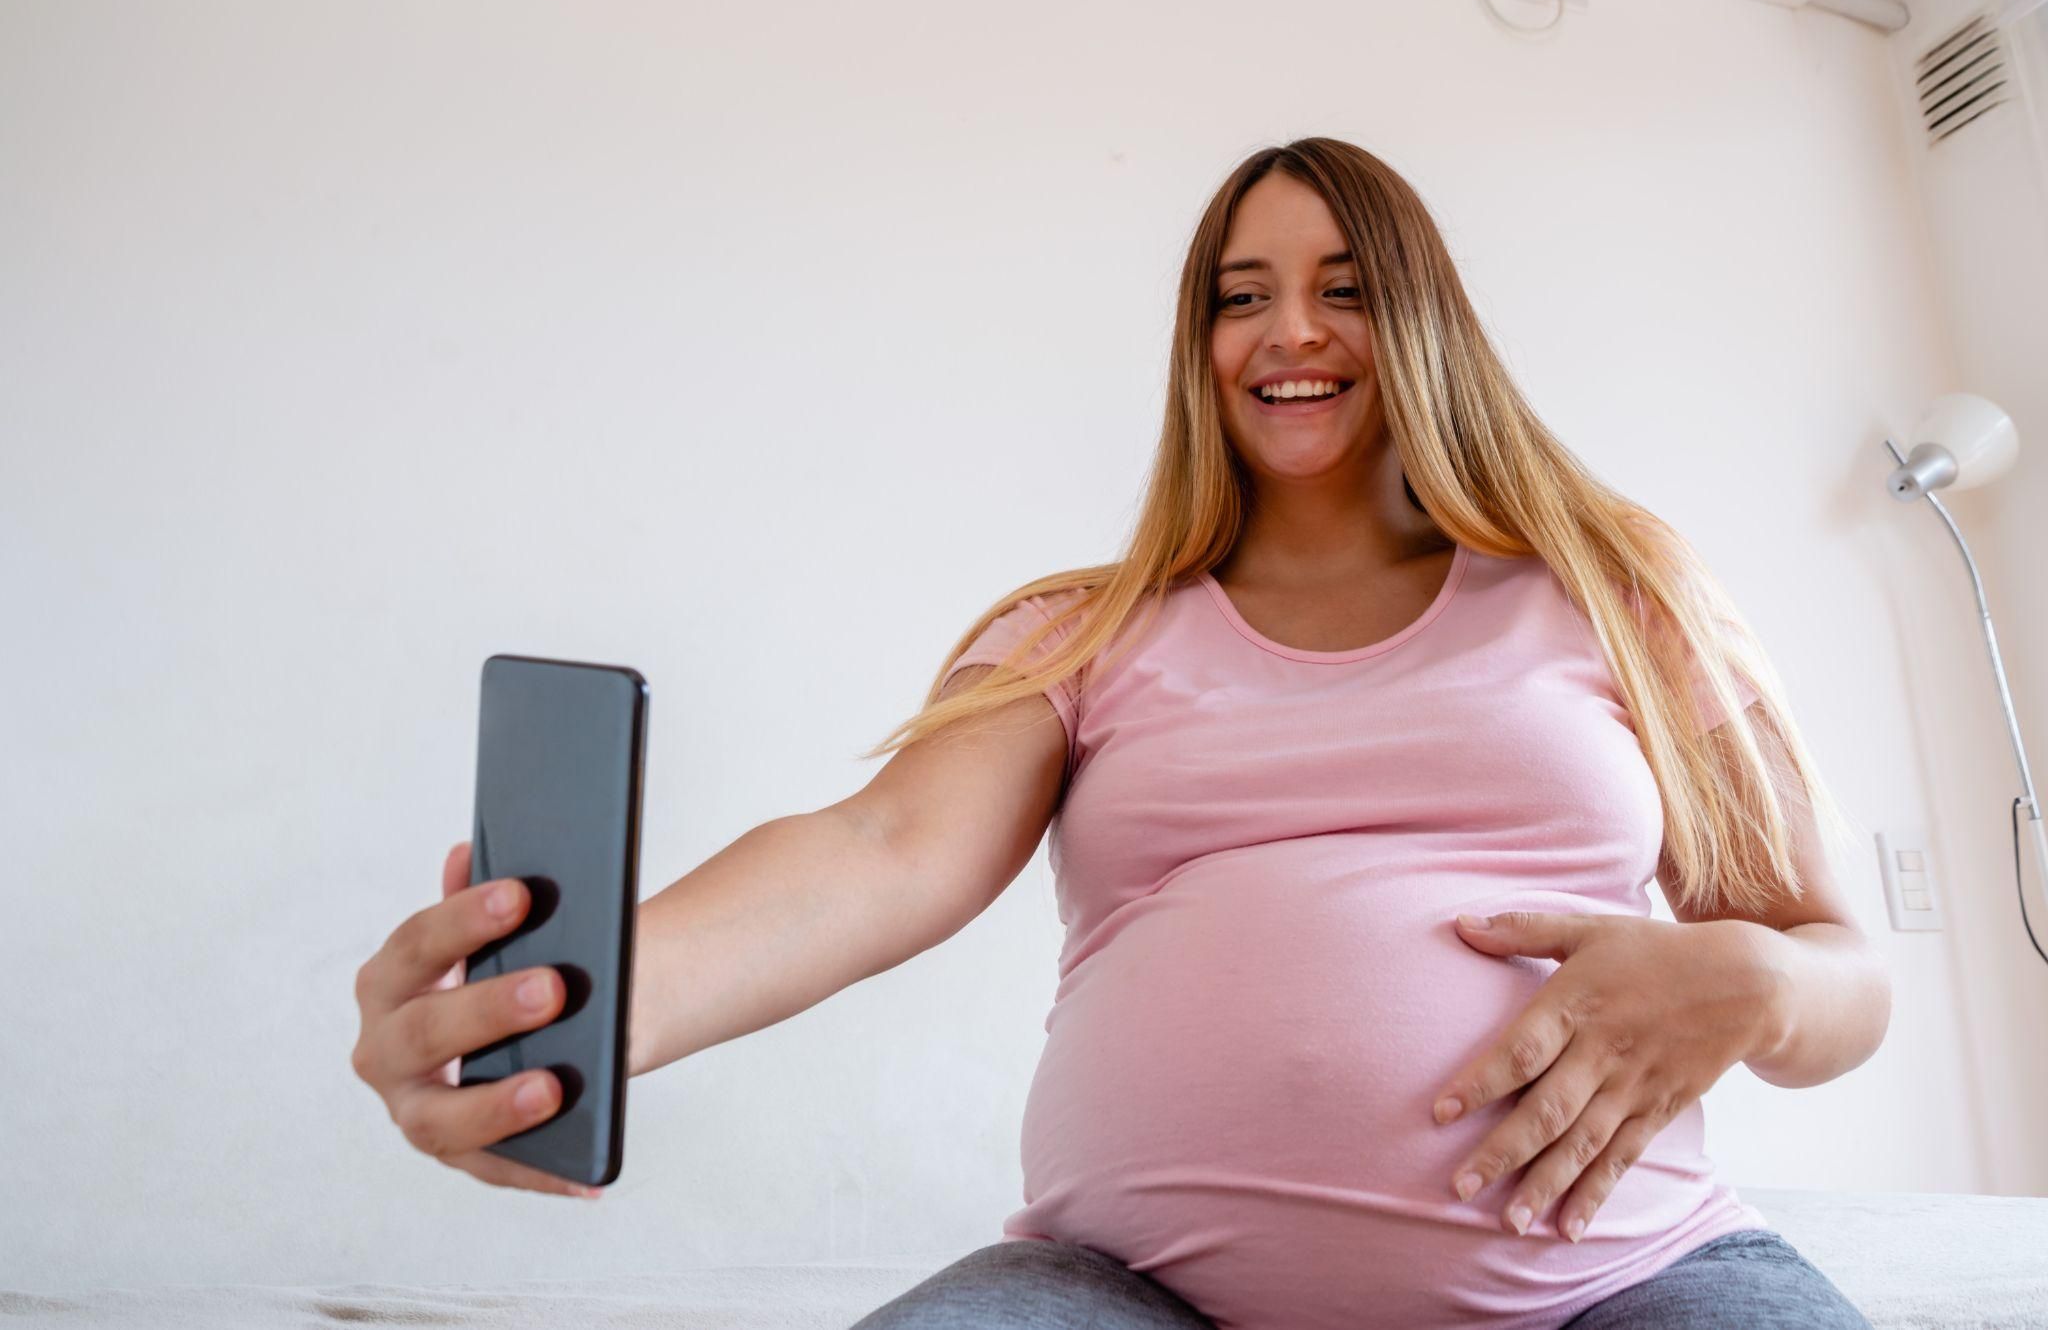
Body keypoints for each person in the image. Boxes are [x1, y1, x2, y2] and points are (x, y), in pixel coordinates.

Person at [350, 136, 1889, 1329]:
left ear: (1424, 318)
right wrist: (594, 1015)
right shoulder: (1083, 629)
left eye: (1346, 283)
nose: (1290, 328)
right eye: (1241, 293)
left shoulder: (1619, 588)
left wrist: (1752, 980)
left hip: (1615, 1281)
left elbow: (1840, 972)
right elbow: (877, 849)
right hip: (1131, 1289)